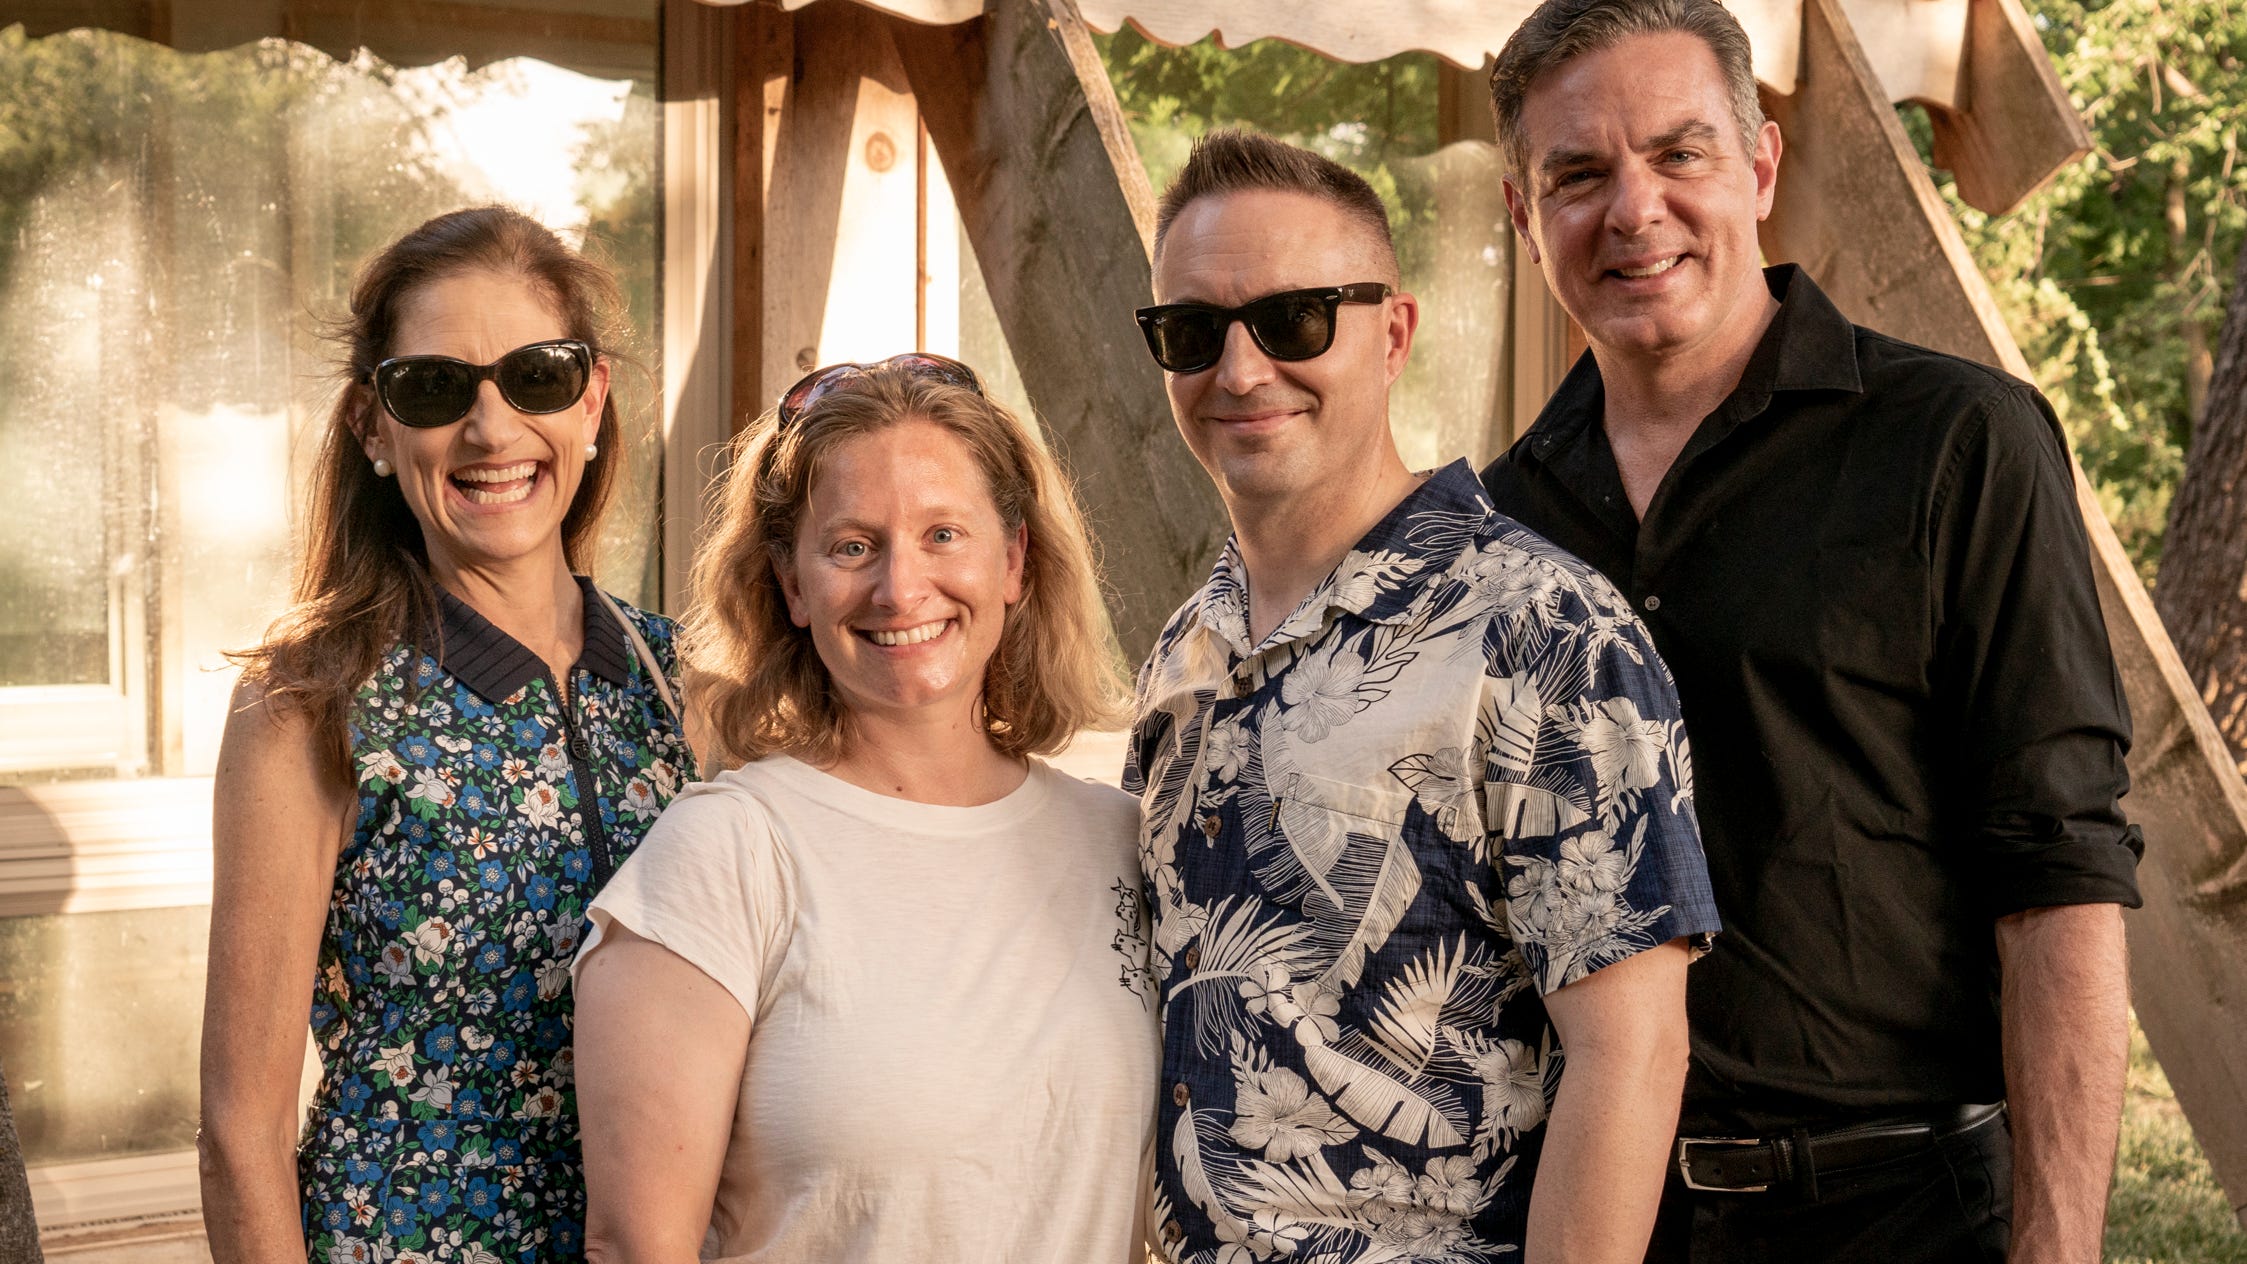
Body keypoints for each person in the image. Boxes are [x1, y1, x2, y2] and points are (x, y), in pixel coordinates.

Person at [1478, 3, 2144, 1260]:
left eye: (1681, 153)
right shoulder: (1497, 526)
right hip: (1598, 1219)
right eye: (1576, 174)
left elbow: (2060, 875)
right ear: (1522, 216)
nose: (1634, 210)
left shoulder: (1958, 444)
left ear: (1762, 166)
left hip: (1904, 1218)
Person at [1126, 128, 1721, 1264]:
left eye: (1295, 319)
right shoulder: (1182, 654)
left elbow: (1632, 1057)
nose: (1241, 371)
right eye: (1193, 332)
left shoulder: (1545, 633)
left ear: (1392, 332)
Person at [571, 355, 1157, 1263]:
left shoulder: (1119, 839)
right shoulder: (727, 853)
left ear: (1013, 560)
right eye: (852, 546)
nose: (899, 587)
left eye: (943, 535)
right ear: (792, 585)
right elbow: (634, 1246)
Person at [198, 206, 696, 1263]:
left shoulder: (690, 687)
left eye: (538, 375)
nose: (492, 427)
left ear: (592, 399)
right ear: (373, 427)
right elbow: (242, 1134)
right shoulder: (306, 704)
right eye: (434, 386)